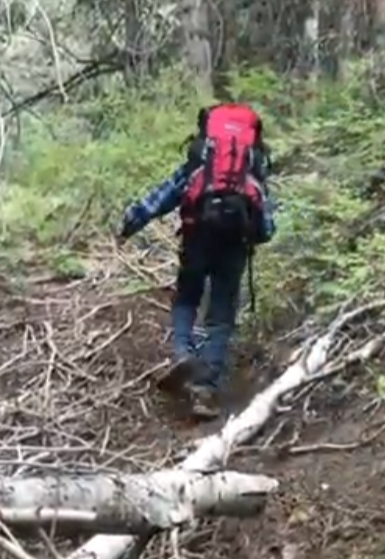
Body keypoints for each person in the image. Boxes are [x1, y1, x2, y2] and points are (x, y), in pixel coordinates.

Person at [114, 103, 276, 419]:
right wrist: (253, 233)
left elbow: (165, 194)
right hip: (235, 241)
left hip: (196, 234)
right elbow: (267, 224)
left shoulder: (200, 164)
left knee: (187, 296)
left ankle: (183, 352)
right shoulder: (252, 169)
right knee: (221, 313)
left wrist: (130, 223)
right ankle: (205, 388)